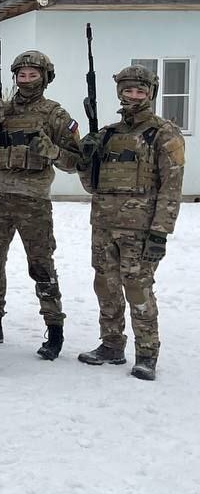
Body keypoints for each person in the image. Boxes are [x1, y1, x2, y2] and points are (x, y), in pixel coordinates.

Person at [0, 50, 82, 357]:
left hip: (34, 202)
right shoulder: (0, 109)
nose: (27, 80)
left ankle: (54, 328)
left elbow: (76, 162)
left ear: (45, 77)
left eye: (33, 74)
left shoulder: (55, 114)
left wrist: (53, 152)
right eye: (22, 75)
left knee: (42, 267)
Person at [76, 65, 185, 381]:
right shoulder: (108, 134)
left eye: (140, 91)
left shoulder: (164, 133)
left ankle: (147, 353)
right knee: (105, 286)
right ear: (119, 92)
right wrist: (87, 158)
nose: (133, 96)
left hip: (140, 229)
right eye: (128, 91)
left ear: (150, 93)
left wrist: (160, 232)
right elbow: (91, 184)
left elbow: (171, 187)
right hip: (104, 224)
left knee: (138, 288)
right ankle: (111, 344)